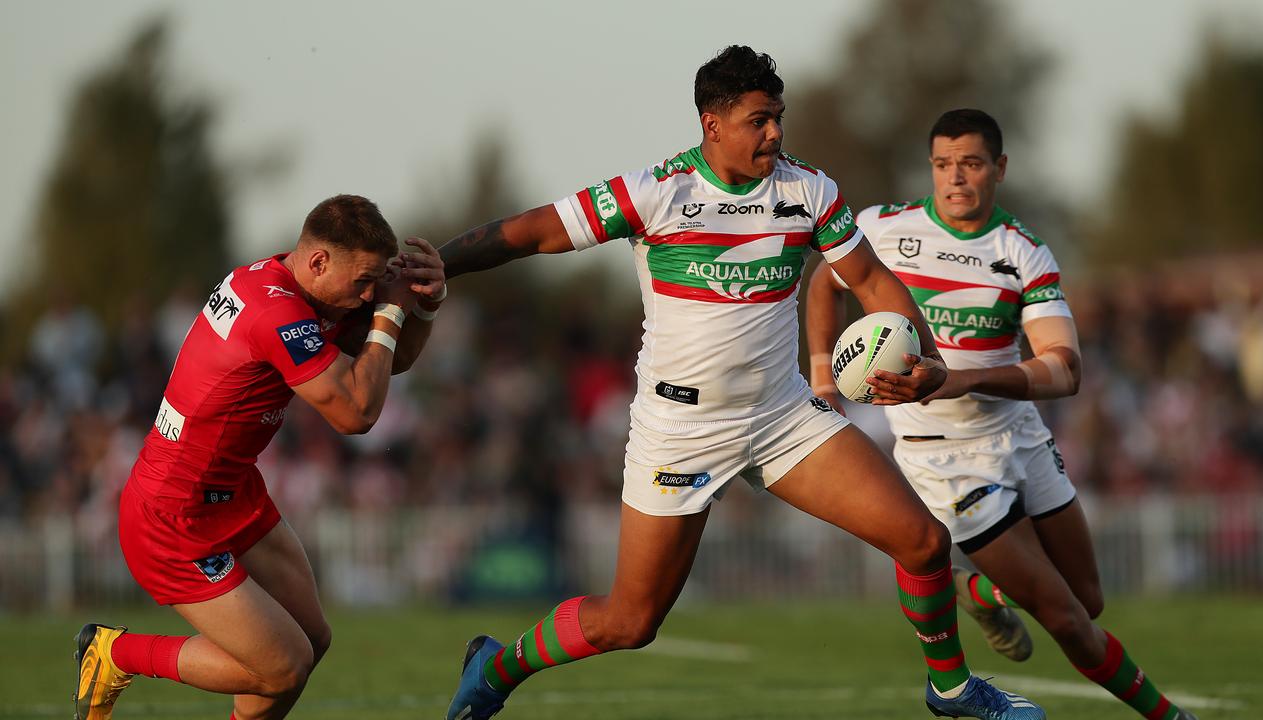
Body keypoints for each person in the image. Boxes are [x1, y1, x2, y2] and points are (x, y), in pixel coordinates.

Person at [421, 47, 1043, 720]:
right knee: (631, 622)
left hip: (781, 418)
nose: (775, 133)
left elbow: (869, 281)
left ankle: (950, 689)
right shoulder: (655, 193)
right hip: (680, 431)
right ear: (711, 123)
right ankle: (498, 664)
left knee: (922, 540)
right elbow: (531, 233)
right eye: (758, 120)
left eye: (778, 117)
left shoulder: (809, 190)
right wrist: (439, 265)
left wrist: (926, 356)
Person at [806, 109, 1197, 720]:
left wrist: (957, 377)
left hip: (1021, 435)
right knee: (1065, 620)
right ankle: (1171, 716)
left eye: (970, 164)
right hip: (946, 460)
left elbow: (1064, 369)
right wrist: (824, 377)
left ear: (999, 168)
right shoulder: (882, 228)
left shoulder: (1024, 252)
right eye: (942, 165)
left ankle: (972, 590)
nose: (954, 178)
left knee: (1087, 602)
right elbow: (824, 283)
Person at [74, 194, 447, 720]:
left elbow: (388, 362)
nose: (367, 295)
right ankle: (115, 652)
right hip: (173, 515)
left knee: (311, 641)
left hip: (230, 493)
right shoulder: (276, 311)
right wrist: (390, 308)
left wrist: (424, 302)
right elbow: (356, 413)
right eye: (363, 280)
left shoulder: (300, 288)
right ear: (319, 261)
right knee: (284, 665)